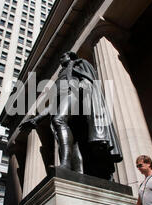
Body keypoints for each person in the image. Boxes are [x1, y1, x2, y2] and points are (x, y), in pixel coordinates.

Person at [19, 51, 122, 179]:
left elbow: (89, 80)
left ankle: (65, 164)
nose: (60, 60)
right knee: (74, 139)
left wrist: (81, 86)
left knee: (59, 120)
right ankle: (77, 171)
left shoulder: (79, 63)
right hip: (68, 99)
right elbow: (54, 106)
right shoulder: (60, 77)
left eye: (62, 56)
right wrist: (37, 119)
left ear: (70, 56)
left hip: (77, 94)